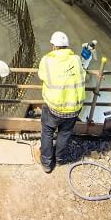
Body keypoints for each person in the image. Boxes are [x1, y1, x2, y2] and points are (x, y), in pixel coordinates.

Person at [37, 31, 86, 173]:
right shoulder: (76, 59)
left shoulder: (47, 60)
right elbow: (82, 74)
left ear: (53, 46)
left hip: (55, 107)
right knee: (64, 133)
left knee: (47, 131)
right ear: (67, 47)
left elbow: (42, 75)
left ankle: (47, 163)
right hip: (75, 107)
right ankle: (59, 159)